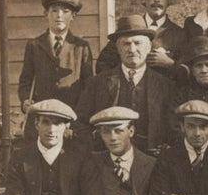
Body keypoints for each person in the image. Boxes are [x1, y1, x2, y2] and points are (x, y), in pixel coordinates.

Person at [74, 15, 176, 156]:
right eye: (126, 44)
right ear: (118, 48)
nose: (132, 49)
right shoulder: (98, 83)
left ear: (148, 48)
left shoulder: (165, 86)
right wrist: (97, 151)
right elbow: (80, 123)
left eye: (137, 43)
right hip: (108, 161)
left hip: (153, 162)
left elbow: (174, 129)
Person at [18, 0, 93, 141]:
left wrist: (78, 117)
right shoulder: (34, 45)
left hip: (71, 119)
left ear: (73, 16)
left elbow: (88, 86)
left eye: (65, 11)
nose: (59, 15)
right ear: (46, 14)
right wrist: (25, 101)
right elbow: (25, 81)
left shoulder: (81, 47)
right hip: (42, 118)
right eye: (54, 11)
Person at [97, 0, 187, 77]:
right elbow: (102, 65)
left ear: (169, 0)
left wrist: (170, 64)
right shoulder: (130, 28)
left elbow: (187, 73)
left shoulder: (179, 34)